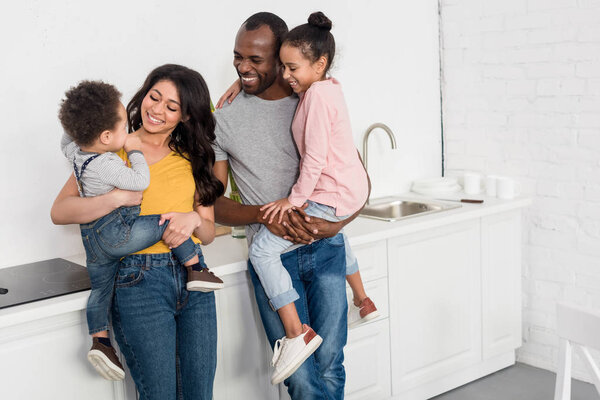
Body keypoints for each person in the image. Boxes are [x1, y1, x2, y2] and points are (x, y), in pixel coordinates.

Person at [51, 64, 223, 400]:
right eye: (154, 97)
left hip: (196, 278)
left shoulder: (193, 157)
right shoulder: (111, 146)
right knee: (158, 394)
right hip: (138, 282)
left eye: (171, 106)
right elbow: (60, 210)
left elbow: (209, 231)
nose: (157, 110)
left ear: (186, 116)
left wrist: (191, 219)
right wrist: (114, 198)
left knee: (200, 394)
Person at [212, 12, 361, 399]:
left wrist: (340, 224)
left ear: (281, 61)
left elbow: (353, 172)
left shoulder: (309, 96)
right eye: (237, 57)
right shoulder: (223, 120)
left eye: (255, 60)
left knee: (331, 362)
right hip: (275, 258)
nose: (243, 67)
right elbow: (210, 201)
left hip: (325, 246)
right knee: (300, 378)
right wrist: (267, 215)